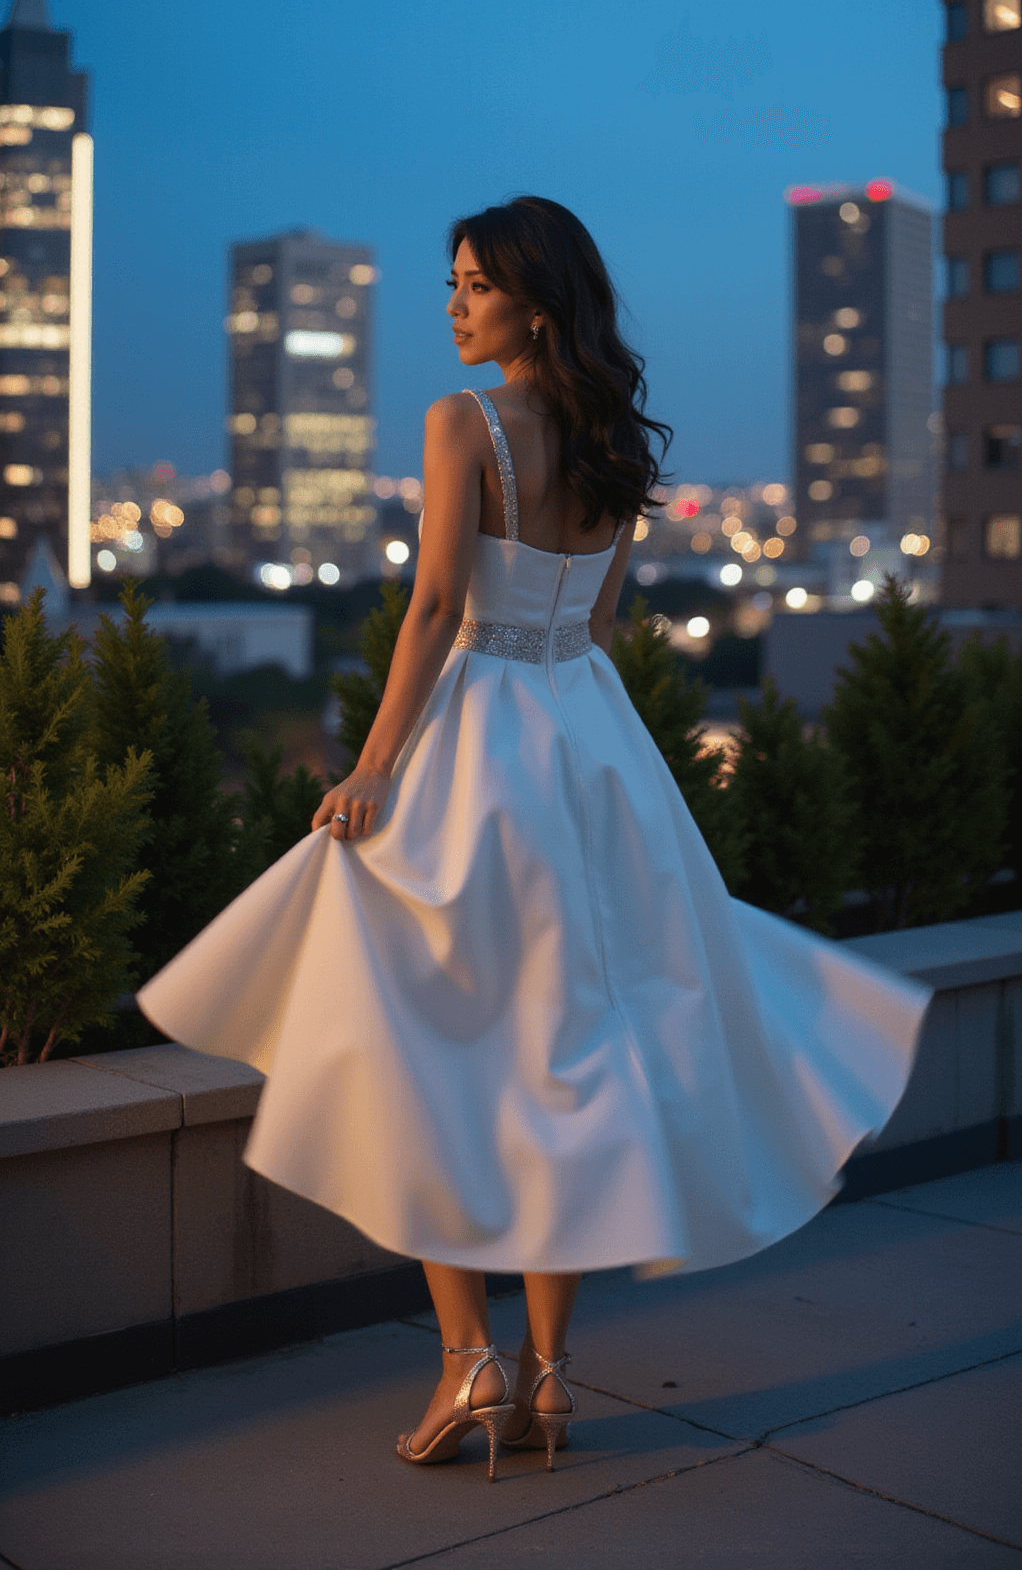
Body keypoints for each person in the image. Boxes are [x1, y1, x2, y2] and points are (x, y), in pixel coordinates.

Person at [138, 196, 929, 1483]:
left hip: (477, 742)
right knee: (569, 1062)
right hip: (591, 742)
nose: (450, 307)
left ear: (532, 304)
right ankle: (551, 1382)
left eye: (470, 286)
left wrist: (376, 764)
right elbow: (600, 618)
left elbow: (440, 605)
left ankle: (469, 1365)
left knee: (423, 1047)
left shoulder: (465, 425)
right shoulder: (617, 443)